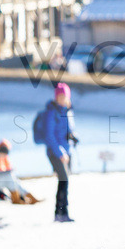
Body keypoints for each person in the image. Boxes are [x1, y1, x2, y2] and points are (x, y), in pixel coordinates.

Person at [42, 83, 78, 222]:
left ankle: (63, 213)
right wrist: (60, 153)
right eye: (60, 96)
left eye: (65, 96)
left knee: (64, 181)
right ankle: (60, 213)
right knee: (64, 179)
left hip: (67, 152)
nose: (63, 99)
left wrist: (73, 137)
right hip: (55, 152)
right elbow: (49, 135)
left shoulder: (68, 111)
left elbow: (70, 130)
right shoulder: (51, 112)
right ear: (56, 97)